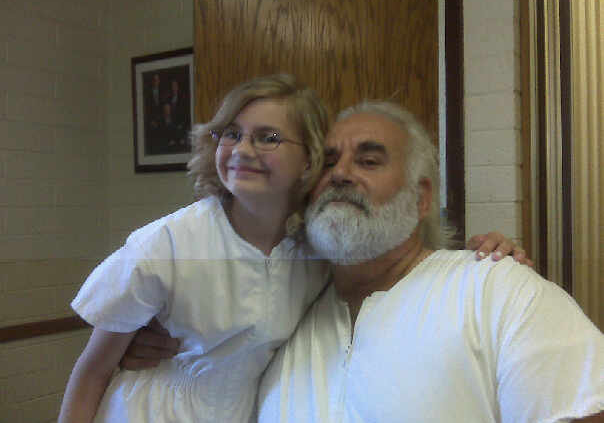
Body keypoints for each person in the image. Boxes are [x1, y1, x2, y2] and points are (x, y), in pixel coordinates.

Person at [58, 74, 528, 423]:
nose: (243, 148)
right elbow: (91, 372)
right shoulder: (168, 244)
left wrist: (490, 249)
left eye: (268, 137)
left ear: (310, 160)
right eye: (231, 133)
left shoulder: (316, 248)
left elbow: (393, 250)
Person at [257, 101, 604, 422]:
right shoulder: (279, 319)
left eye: (369, 161)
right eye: (328, 163)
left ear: (420, 198)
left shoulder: (496, 291)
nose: (340, 174)